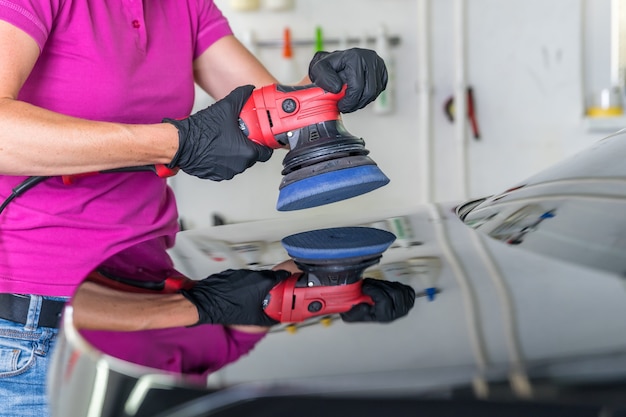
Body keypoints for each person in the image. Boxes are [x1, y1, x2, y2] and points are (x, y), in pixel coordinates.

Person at [0, 1, 415, 416]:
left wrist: (324, 89)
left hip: (168, 309)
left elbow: (268, 109)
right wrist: (179, 141)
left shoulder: (185, 7)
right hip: (38, 337)